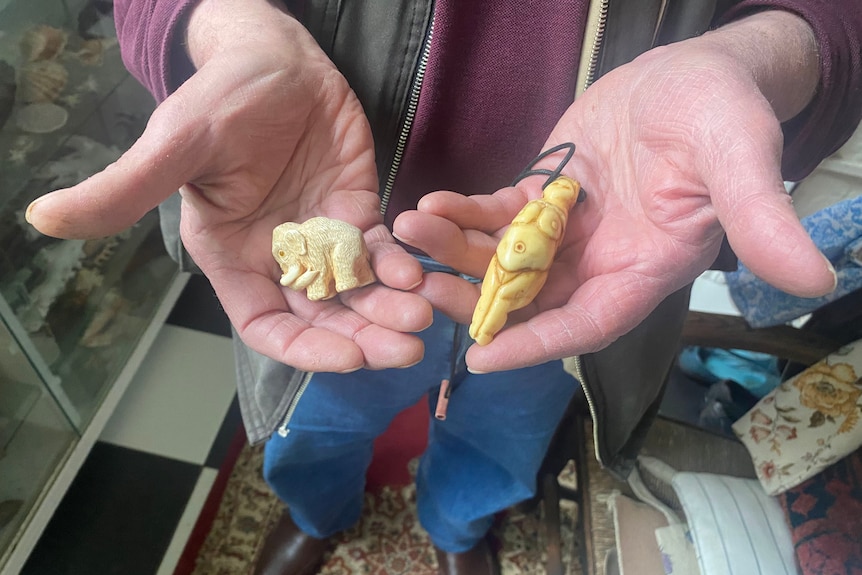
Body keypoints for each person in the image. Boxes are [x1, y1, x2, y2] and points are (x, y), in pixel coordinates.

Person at [25, 0, 862, 573]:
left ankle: (455, 522)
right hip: (350, 219)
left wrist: (759, 59)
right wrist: (221, 26)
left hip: (599, 242)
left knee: (507, 431)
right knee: (315, 424)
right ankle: (320, 514)